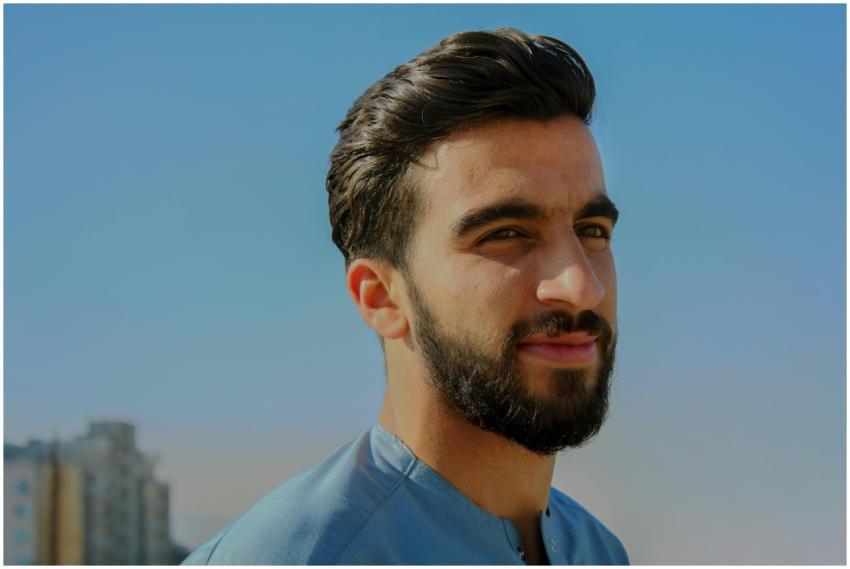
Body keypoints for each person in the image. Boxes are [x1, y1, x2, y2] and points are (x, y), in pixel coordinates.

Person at [184, 27, 628, 565]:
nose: (582, 285)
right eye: (506, 233)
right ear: (381, 298)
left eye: (593, 231)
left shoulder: (600, 552)